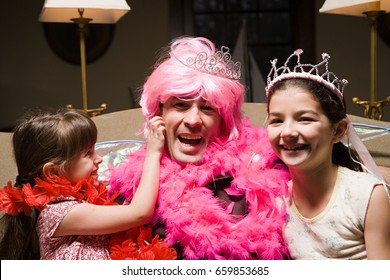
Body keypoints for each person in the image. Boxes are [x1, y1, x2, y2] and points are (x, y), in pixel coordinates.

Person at [108, 36, 291, 260]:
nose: (194, 120)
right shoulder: (133, 184)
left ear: (223, 121)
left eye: (208, 108)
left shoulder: (261, 166)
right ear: (159, 113)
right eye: (181, 105)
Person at [265, 49, 390, 259]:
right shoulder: (275, 197)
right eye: (277, 120)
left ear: (338, 130)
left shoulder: (366, 196)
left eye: (304, 119)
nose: (287, 132)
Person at [0, 109, 172, 260]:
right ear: (53, 172)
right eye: (88, 154)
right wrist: (154, 152)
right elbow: (139, 213)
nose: (99, 159)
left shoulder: (81, 204)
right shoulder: (58, 213)